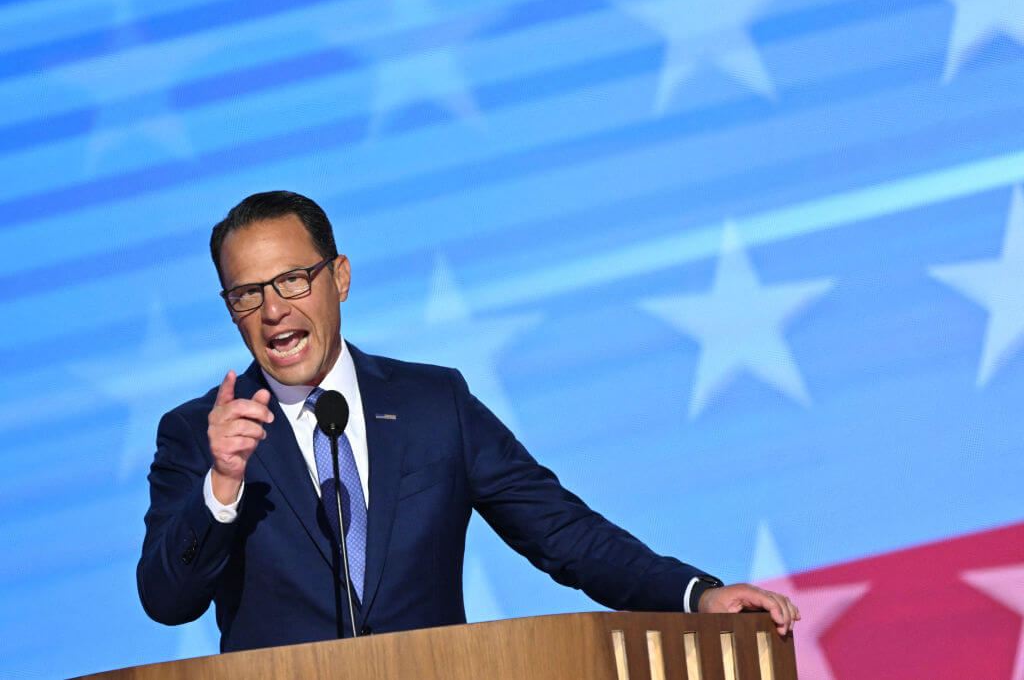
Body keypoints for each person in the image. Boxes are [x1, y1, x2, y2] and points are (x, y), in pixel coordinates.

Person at [137, 191, 799, 653]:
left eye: (292, 280)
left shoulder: (434, 404)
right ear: (230, 309)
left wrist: (695, 595)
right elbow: (167, 601)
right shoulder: (200, 432)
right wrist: (221, 488)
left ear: (338, 278)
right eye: (247, 293)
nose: (273, 309)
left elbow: (562, 533)